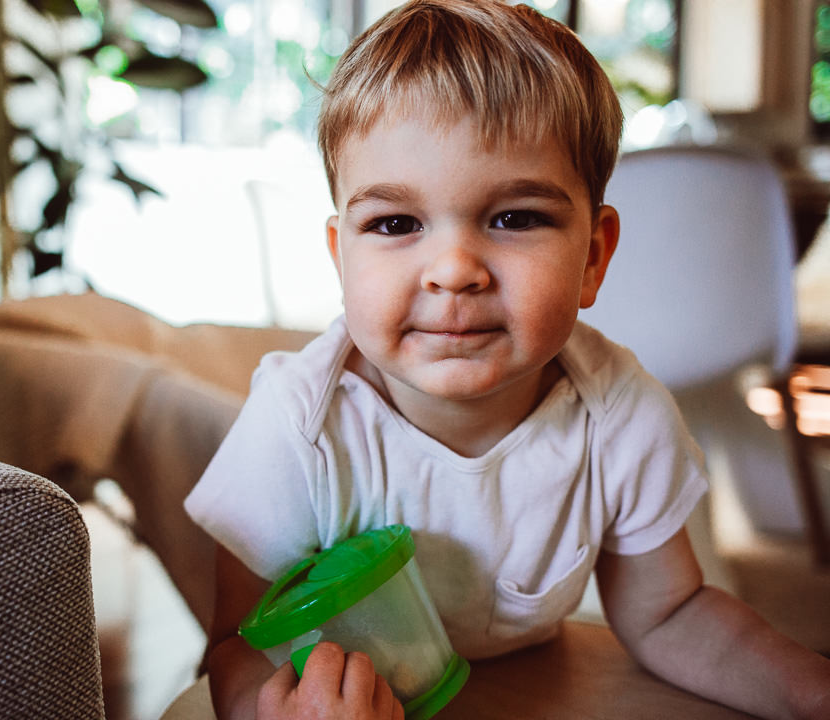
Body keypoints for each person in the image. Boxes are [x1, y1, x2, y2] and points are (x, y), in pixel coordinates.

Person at [184, 2, 830, 718]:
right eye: (396, 223)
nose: (454, 270)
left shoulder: (619, 416)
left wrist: (811, 689)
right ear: (342, 259)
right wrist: (270, 708)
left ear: (592, 256)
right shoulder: (298, 425)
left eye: (515, 218)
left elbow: (669, 613)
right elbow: (235, 643)